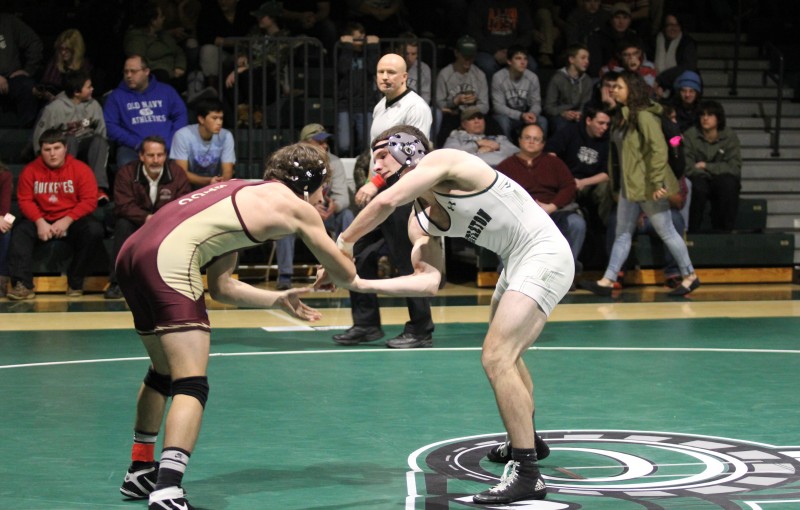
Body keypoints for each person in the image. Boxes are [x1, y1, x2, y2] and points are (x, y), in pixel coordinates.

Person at [328, 124, 573, 504]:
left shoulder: (446, 161)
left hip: (544, 252)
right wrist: (358, 283)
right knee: (508, 357)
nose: (376, 165)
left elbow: (384, 202)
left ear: (409, 149)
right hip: (516, 263)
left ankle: (527, 474)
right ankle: (527, 440)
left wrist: (342, 244)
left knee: (497, 356)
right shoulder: (420, 219)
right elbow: (428, 282)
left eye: (382, 155)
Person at [116, 142, 357, 510]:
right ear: (310, 185)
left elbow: (222, 287)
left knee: (162, 372)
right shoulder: (298, 207)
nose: (323, 197)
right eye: (323, 188)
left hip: (133, 253)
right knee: (190, 381)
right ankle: (167, 490)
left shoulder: (239, 192)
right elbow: (346, 275)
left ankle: (140, 470)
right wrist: (343, 254)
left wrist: (277, 299)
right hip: (168, 259)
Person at [332, 51, 435, 349]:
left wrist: (376, 183)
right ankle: (366, 324)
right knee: (358, 253)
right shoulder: (380, 107)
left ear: (405, 77)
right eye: (381, 72)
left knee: (407, 261)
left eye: (392, 72)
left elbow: (412, 156)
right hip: (381, 191)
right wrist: (371, 184)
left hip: (405, 193)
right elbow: (376, 155)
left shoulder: (416, 108)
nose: (385, 77)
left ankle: (421, 330)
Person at [578, 71, 700, 297]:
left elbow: (658, 149)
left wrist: (657, 182)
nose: (614, 90)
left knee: (667, 231)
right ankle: (608, 280)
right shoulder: (622, 116)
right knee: (622, 233)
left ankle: (690, 275)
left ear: (632, 89)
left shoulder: (644, 115)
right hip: (630, 186)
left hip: (647, 186)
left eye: (619, 87)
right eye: (613, 87)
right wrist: (618, 186)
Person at [6, 129, 104, 300]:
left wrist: (67, 220)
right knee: (20, 232)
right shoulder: (30, 170)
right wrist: (39, 221)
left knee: (94, 230)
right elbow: (25, 200)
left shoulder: (81, 169)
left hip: (71, 219)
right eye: (47, 149)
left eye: (56, 148)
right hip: (41, 218)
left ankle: (75, 282)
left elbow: (89, 200)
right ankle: (23, 285)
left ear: (65, 148)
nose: (52, 154)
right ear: (41, 151)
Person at [105, 135, 191, 299]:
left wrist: (161, 219)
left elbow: (183, 203)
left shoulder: (177, 173)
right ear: (141, 156)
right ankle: (117, 283)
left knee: (184, 226)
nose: (156, 160)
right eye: (151, 155)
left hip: (166, 222)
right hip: (137, 221)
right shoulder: (127, 173)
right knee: (123, 224)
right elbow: (123, 205)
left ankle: (178, 283)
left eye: (160, 155)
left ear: (165, 156)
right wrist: (146, 218)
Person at [274, 123, 354, 290]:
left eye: (325, 141)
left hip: (325, 213)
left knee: (346, 215)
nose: (324, 145)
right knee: (283, 221)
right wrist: (307, 208)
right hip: (298, 213)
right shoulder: (291, 162)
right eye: (319, 142)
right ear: (304, 143)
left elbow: (343, 197)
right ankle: (285, 276)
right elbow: (283, 196)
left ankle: (346, 270)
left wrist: (334, 206)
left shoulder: (334, 162)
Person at [497, 124, 586, 271]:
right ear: (519, 140)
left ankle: (566, 271)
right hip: (519, 215)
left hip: (552, 212)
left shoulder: (554, 163)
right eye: (527, 138)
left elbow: (569, 186)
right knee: (501, 224)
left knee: (576, 223)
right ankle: (509, 271)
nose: (531, 142)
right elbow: (498, 193)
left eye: (536, 139)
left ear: (543, 144)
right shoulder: (506, 166)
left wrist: (552, 206)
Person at [32, 69, 110, 203]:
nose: (92, 89)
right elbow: (40, 136)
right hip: (64, 149)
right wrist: (41, 155)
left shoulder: (94, 105)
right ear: (76, 92)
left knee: (99, 141)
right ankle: (65, 186)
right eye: (88, 87)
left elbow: (101, 131)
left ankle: (97, 189)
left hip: (86, 147)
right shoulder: (54, 108)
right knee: (69, 139)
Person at [103, 55, 188, 168]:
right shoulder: (115, 96)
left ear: (146, 71)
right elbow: (110, 125)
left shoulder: (166, 91)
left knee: (183, 163)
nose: (129, 75)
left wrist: (170, 140)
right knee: (126, 164)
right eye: (126, 72)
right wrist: (136, 143)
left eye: (133, 71)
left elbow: (181, 115)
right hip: (133, 148)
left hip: (167, 145)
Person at [545, 103, 612, 229]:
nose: (604, 128)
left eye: (607, 124)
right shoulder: (571, 131)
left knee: (606, 188)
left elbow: (608, 173)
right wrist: (565, 179)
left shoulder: (607, 141)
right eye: (601, 123)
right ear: (588, 120)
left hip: (590, 183)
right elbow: (551, 152)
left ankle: (599, 230)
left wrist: (583, 182)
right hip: (566, 179)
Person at [683, 100, 741, 233]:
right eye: (702, 115)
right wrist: (710, 173)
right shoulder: (690, 135)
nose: (705, 118)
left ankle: (724, 232)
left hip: (720, 178)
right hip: (698, 177)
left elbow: (734, 168)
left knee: (729, 184)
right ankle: (693, 232)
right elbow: (688, 166)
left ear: (718, 118)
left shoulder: (729, 136)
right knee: (698, 187)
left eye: (710, 115)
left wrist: (706, 166)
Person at [434, 35, 490, 148]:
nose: (468, 61)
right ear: (457, 53)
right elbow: (439, 103)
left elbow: (485, 106)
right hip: (453, 115)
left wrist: (472, 107)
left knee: (493, 125)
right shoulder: (445, 74)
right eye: (465, 57)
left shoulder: (479, 75)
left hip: (473, 116)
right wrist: (455, 102)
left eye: (471, 57)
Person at [123, 0, 188, 93]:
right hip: (157, 76)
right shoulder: (136, 38)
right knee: (161, 75)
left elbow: (178, 51)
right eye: (161, 16)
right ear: (153, 21)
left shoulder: (163, 35)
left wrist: (180, 67)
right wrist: (167, 70)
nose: (164, 18)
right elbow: (137, 62)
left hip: (174, 73)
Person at [169, 97, 235, 188]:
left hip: (217, 186)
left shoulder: (226, 136)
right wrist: (209, 181)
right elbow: (182, 173)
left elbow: (228, 171)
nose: (219, 122)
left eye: (221, 118)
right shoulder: (182, 135)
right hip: (188, 187)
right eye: (214, 118)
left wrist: (219, 183)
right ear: (201, 119)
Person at [336, 22, 380, 156]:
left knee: (367, 144)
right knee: (344, 145)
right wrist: (347, 47)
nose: (361, 40)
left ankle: (362, 164)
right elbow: (342, 69)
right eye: (356, 38)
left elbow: (372, 69)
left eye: (362, 37)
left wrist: (372, 47)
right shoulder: (341, 51)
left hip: (365, 104)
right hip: (345, 103)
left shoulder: (368, 53)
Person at [467, 0, 537, 80]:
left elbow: (527, 33)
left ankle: (520, 89)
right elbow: (475, 34)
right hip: (487, 51)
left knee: (531, 65)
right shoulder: (479, 3)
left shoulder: (519, 3)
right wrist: (494, 51)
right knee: (488, 66)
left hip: (514, 50)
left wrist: (512, 52)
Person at [491, 44, 546, 140]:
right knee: (503, 120)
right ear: (509, 61)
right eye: (518, 58)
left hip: (525, 115)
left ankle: (538, 148)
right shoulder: (498, 77)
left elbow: (536, 103)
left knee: (542, 120)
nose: (523, 62)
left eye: (525, 59)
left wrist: (532, 114)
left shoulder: (532, 77)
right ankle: (507, 148)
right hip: (508, 116)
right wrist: (520, 115)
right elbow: (498, 107)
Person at [0, 11, 43, 127]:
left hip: (12, 77)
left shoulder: (8, 22)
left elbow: (34, 42)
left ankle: (26, 133)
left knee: (28, 87)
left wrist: (29, 70)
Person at [543, 43, 593, 135]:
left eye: (588, 58)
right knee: (561, 125)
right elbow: (548, 107)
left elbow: (586, 104)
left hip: (578, 115)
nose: (587, 61)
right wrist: (563, 113)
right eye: (583, 58)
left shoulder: (587, 80)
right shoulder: (557, 78)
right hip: (560, 115)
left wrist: (580, 113)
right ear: (571, 59)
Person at [444, 107, 519, 167]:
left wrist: (497, 147)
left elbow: (519, 153)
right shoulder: (455, 138)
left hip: (502, 170)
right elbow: (448, 155)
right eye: (471, 118)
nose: (477, 121)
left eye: (479, 118)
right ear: (463, 124)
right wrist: (477, 144)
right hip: (473, 171)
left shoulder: (498, 138)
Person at [36, 29, 96, 103]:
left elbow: (85, 93)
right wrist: (46, 95)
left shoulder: (85, 66)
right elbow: (44, 85)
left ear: (76, 49)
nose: (63, 52)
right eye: (61, 49)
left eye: (67, 49)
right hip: (52, 103)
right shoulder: (55, 62)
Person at [652, 13, 697, 99]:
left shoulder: (687, 43)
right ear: (664, 26)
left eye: (676, 25)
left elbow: (688, 66)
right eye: (670, 25)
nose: (673, 28)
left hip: (678, 87)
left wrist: (661, 80)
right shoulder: (654, 41)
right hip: (654, 86)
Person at [587, 2, 637, 77]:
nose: (621, 22)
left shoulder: (633, 37)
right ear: (611, 19)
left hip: (627, 77)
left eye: (625, 18)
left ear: (630, 21)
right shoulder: (597, 37)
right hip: (603, 77)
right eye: (617, 17)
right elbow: (594, 68)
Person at [400, 34, 431, 105]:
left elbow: (425, 96)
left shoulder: (423, 69)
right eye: (406, 53)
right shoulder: (389, 66)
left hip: (416, 108)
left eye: (413, 54)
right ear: (398, 51)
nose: (409, 58)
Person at [0, 164, 11, 297]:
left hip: (3, 217)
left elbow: (5, 207)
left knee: (6, 229)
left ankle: (1, 280)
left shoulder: (4, 175)